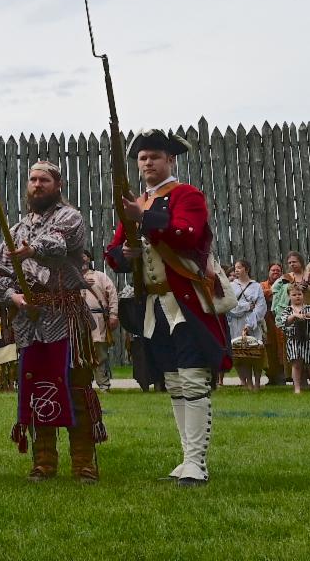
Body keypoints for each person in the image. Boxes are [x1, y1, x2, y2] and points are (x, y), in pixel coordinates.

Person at [105, 130, 231, 487]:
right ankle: (187, 458)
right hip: (154, 305)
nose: (147, 163)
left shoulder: (186, 195)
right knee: (174, 380)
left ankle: (196, 462)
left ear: (170, 160)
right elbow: (114, 253)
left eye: (154, 157)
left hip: (186, 301)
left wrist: (143, 218)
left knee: (192, 377)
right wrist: (124, 253)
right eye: (143, 158)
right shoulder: (138, 202)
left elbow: (187, 233)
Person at [0, 161, 106, 483]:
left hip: (66, 317)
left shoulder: (70, 217)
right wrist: (14, 298)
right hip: (30, 323)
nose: (37, 184)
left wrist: (30, 251)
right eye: (33, 179)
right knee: (36, 388)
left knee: (76, 387)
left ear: (58, 185)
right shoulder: (15, 231)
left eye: (44, 179)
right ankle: (43, 462)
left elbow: (58, 245)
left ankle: (83, 463)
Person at [270, 252, 310, 386]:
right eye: (289, 262)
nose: (292, 264)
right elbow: (275, 297)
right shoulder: (285, 279)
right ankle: (300, 382)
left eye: (294, 262)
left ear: (301, 262)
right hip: (293, 320)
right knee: (296, 351)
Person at [81, 251, 119, 392]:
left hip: (97, 319)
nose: (81, 258)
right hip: (78, 320)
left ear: (89, 259)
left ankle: (103, 385)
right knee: (81, 352)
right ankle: (84, 386)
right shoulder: (71, 278)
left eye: (84, 255)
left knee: (100, 353)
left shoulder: (100, 276)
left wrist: (113, 315)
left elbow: (112, 295)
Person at [276, 283, 310, 394]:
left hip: (309, 340)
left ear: (303, 295)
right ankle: (297, 387)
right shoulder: (288, 310)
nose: (297, 297)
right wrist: (294, 316)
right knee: (296, 365)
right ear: (289, 296)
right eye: (294, 295)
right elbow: (284, 322)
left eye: (299, 294)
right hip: (294, 341)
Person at [226, 259, 266, 391]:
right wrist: (247, 306)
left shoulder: (256, 286)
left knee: (256, 351)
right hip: (237, 323)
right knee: (243, 353)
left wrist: (250, 324)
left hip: (253, 322)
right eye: (235, 268)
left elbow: (261, 307)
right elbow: (230, 306)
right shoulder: (231, 286)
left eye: (239, 267)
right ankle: (248, 383)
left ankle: (257, 383)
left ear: (246, 269)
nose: (236, 270)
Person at [260, 262, 286, 386]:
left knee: (282, 349)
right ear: (268, 272)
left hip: (281, 321)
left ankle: (282, 376)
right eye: (273, 270)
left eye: (278, 271)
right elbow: (261, 295)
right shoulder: (262, 285)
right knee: (269, 349)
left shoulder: (285, 285)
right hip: (267, 322)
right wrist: (273, 292)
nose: (275, 272)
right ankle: (271, 376)